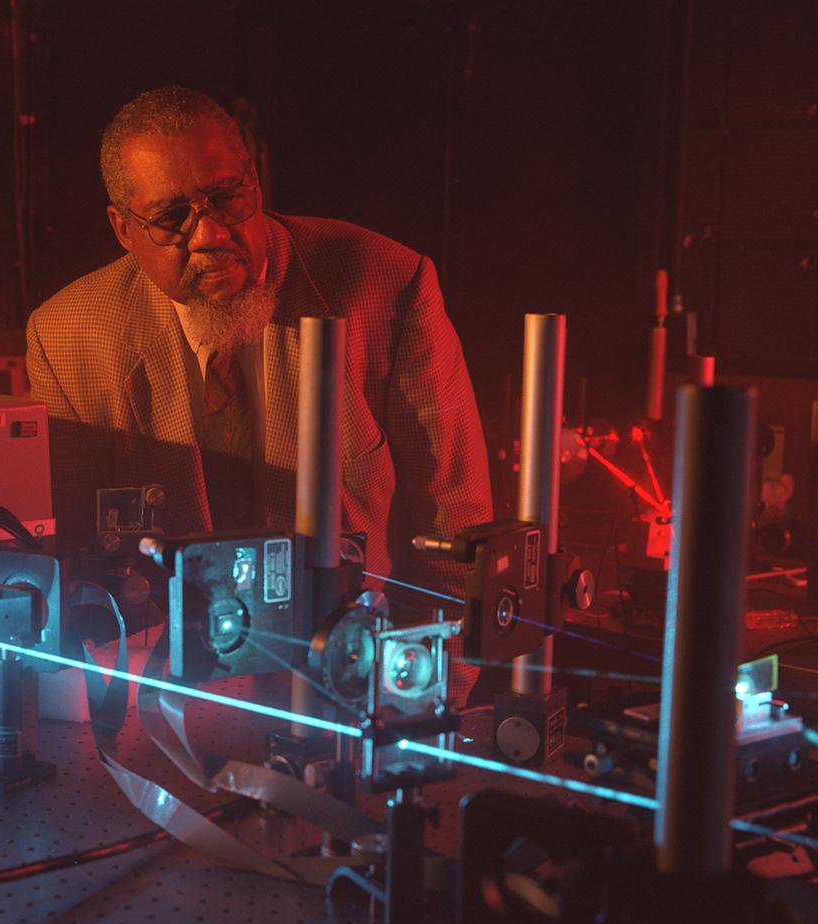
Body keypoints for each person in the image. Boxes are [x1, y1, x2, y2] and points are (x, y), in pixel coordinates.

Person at [26, 86, 491, 586]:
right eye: (171, 218)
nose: (210, 236)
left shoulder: (391, 286)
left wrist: (427, 665)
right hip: (160, 659)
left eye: (226, 199)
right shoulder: (65, 336)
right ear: (122, 228)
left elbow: (457, 537)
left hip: (349, 654)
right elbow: (69, 558)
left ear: (256, 185)